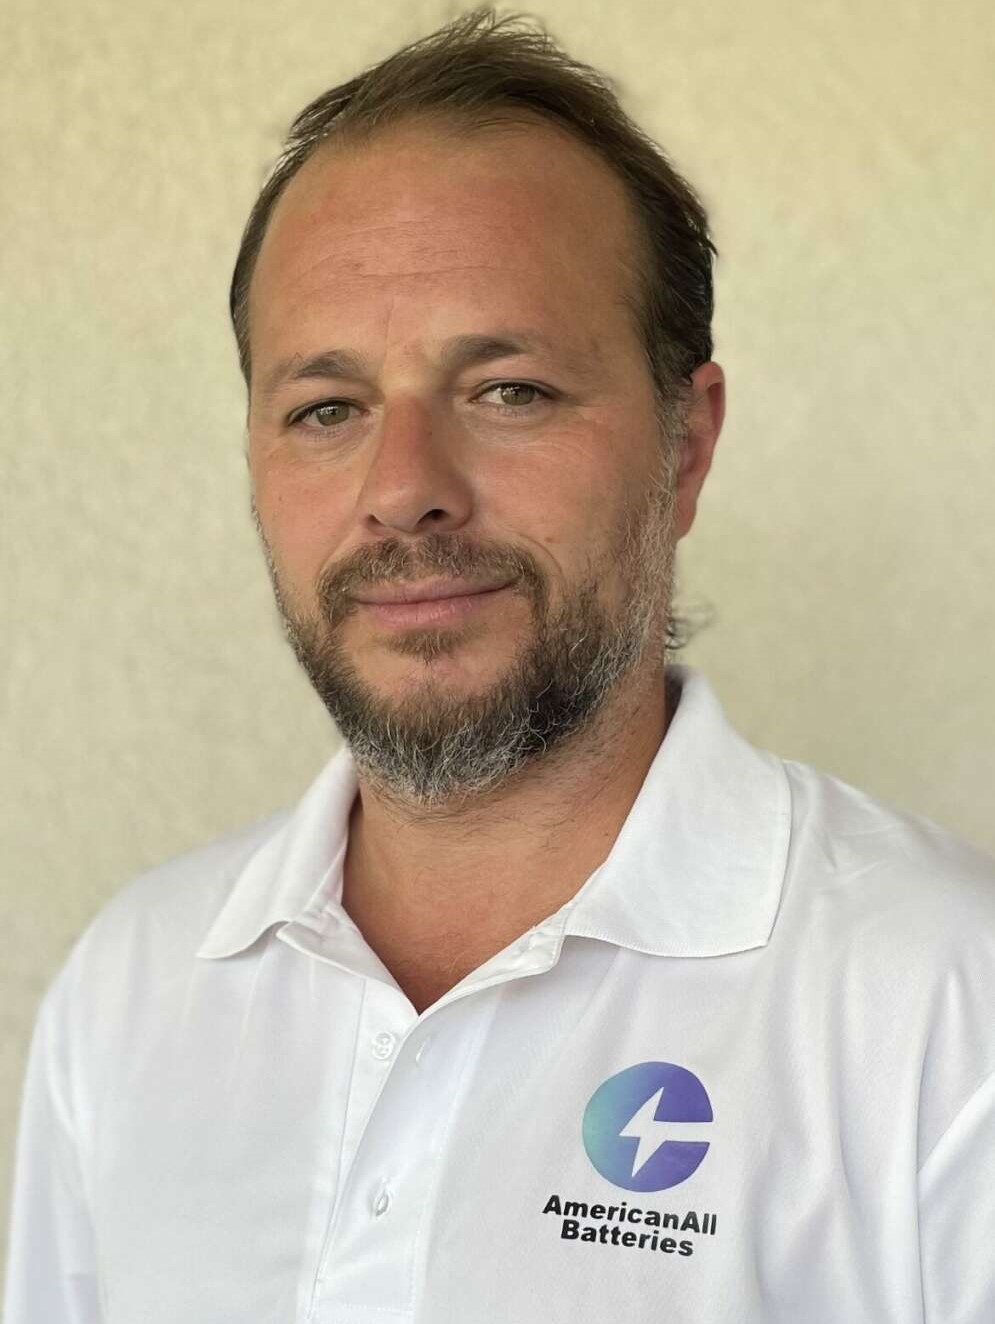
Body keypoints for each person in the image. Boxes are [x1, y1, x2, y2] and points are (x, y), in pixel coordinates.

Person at [4, 9, 994, 1322]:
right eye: (327, 408)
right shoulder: (131, 989)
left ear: (686, 447)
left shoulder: (945, 1001)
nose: (404, 489)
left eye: (509, 389)